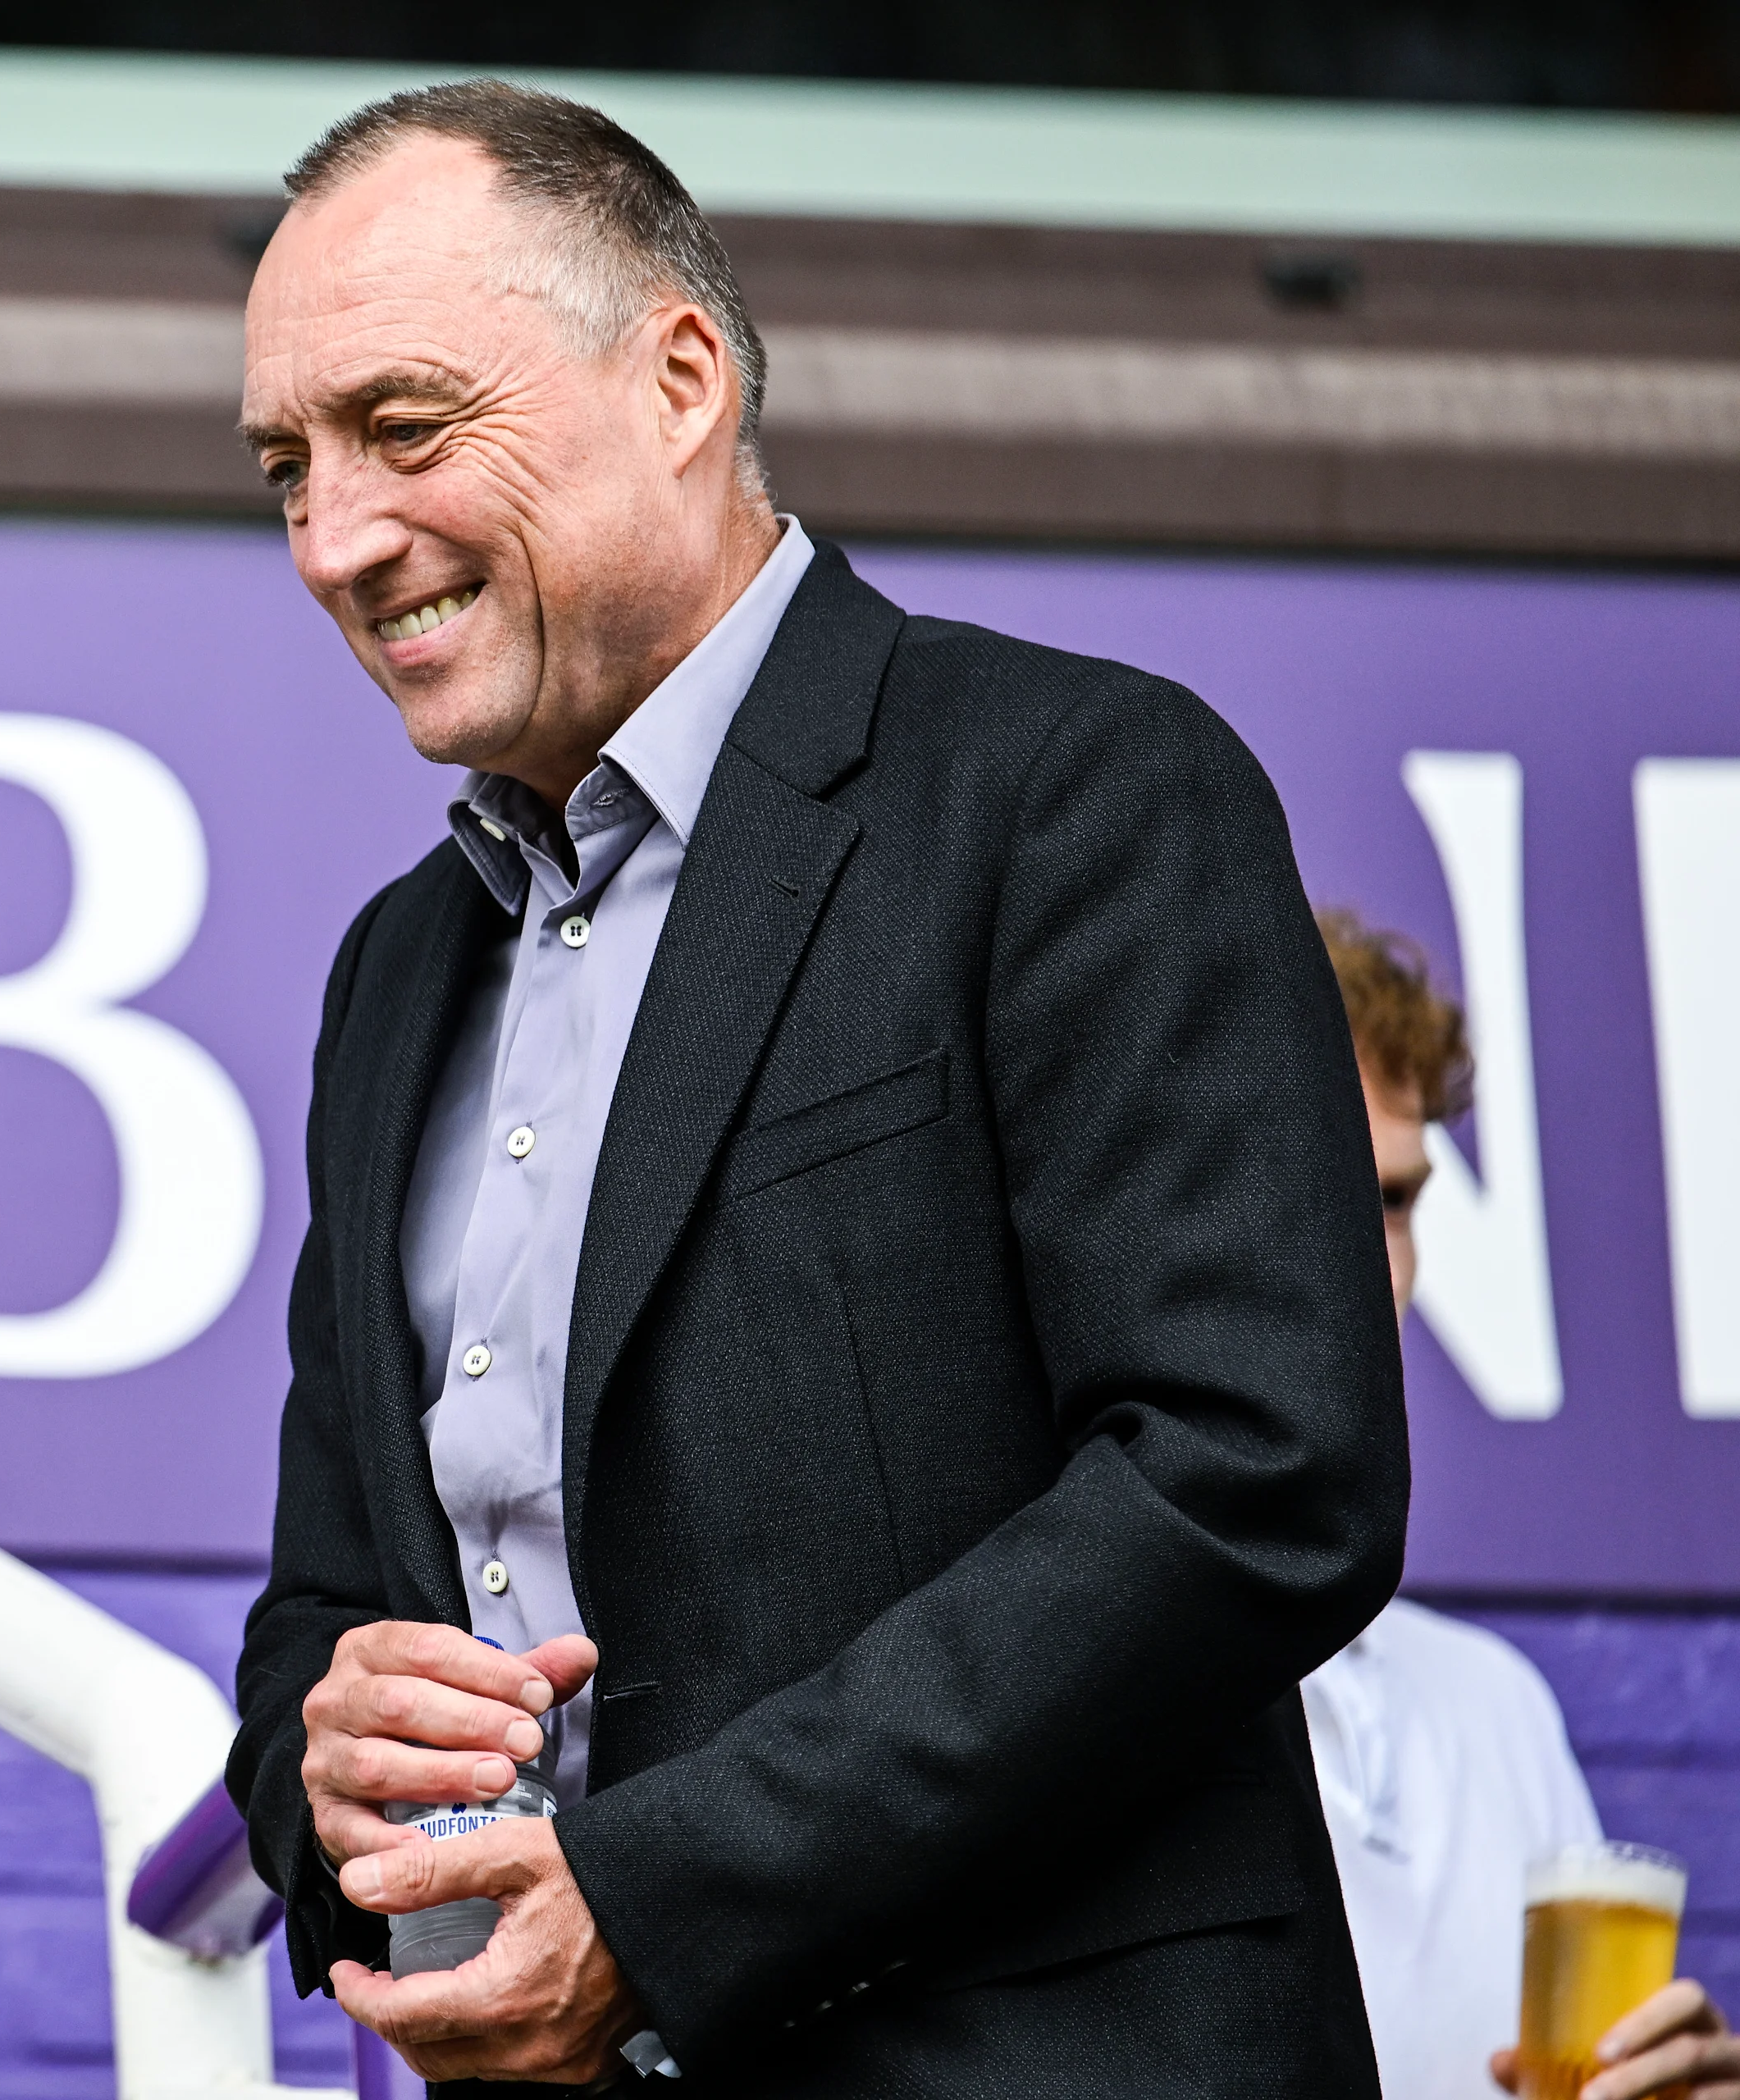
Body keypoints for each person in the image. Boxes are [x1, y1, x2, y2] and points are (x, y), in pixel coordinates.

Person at [223, 80, 1409, 2093]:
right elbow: (322, 1606)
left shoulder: (1077, 792)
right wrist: (322, 1765)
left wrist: (660, 1896)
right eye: (286, 467)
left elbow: (1251, 1474)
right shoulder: (395, 971)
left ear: (680, 375)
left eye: (404, 429)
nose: (337, 537)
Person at [1308, 911, 1739, 2100]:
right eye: (1328, 1186)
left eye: (1398, 1203)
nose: (1380, 1264)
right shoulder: (1064, 1683)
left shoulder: (1498, 1710)